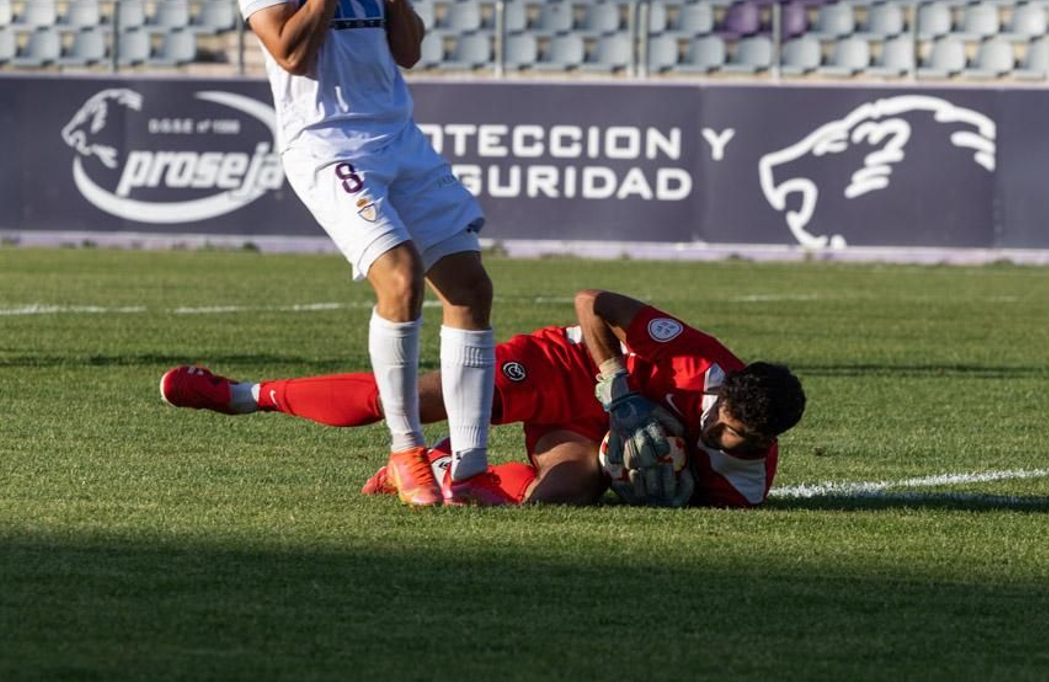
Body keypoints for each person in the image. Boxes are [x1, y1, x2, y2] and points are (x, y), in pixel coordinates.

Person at [225, 0, 502, 507]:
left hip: (395, 131)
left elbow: (407, 50)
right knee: (400, 277)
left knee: (471, 287)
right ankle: (408, 452)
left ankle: (468, 471)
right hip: (325, 140)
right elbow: (288, 51)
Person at [159, 290, 808, 509]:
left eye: (743, 441)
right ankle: (240, 395)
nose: (728, 441)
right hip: (564, 365)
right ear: (722, 396)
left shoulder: (747, 482)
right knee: (415, 400)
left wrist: (658, 476)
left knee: (553, 500)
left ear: (768, 441)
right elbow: (591, 302)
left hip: (590, 434)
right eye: (724, 426)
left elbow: (684, 502)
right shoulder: (697, 360)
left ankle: (436, 468)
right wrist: (620, 386)